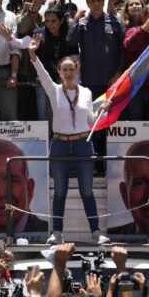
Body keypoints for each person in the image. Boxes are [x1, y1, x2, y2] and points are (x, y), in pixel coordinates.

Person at [28, 34, 111, 245]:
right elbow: (42, 73)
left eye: (71, 69)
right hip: (60, 145)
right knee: (60, 191)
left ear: (77, 71)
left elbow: (91, 122)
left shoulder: (86, 92)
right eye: (64, 70)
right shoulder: (54, 90)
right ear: (59, 72)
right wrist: (32, 53)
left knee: (86, 191)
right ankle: (57, 232)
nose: (67, 73)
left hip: (83, 144)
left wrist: (101, 111)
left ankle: (96, 232)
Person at [66, 0, 126, 172]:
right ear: (88, 3)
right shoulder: (82, 24)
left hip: (112, 83)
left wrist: (118, 73)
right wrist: (75, 19)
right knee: (93, 126)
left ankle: (111, 166)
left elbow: (124, 50)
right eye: (93, 0)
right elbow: (70, 41)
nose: (97, 3)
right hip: (90, 83)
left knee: (112, 125)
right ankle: (95, 166)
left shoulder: (115, 22)